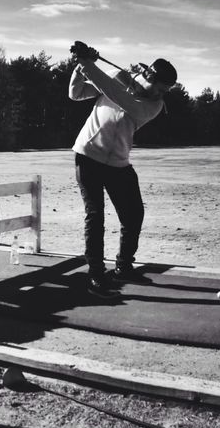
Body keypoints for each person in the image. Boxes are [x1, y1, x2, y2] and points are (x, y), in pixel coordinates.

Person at [68, 41, 177, 297]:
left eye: (165, 91)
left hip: (118, 163)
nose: (161, 95)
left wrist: (88, 64)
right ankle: (96, 275)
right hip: (88, 156)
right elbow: (75, 93)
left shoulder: (153, 105)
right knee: (95, 216)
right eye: (159, 88)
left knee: (133, 214)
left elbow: (123, 99)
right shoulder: (118, 77)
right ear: (148, 76)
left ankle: (123, 267)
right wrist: (80, 66)